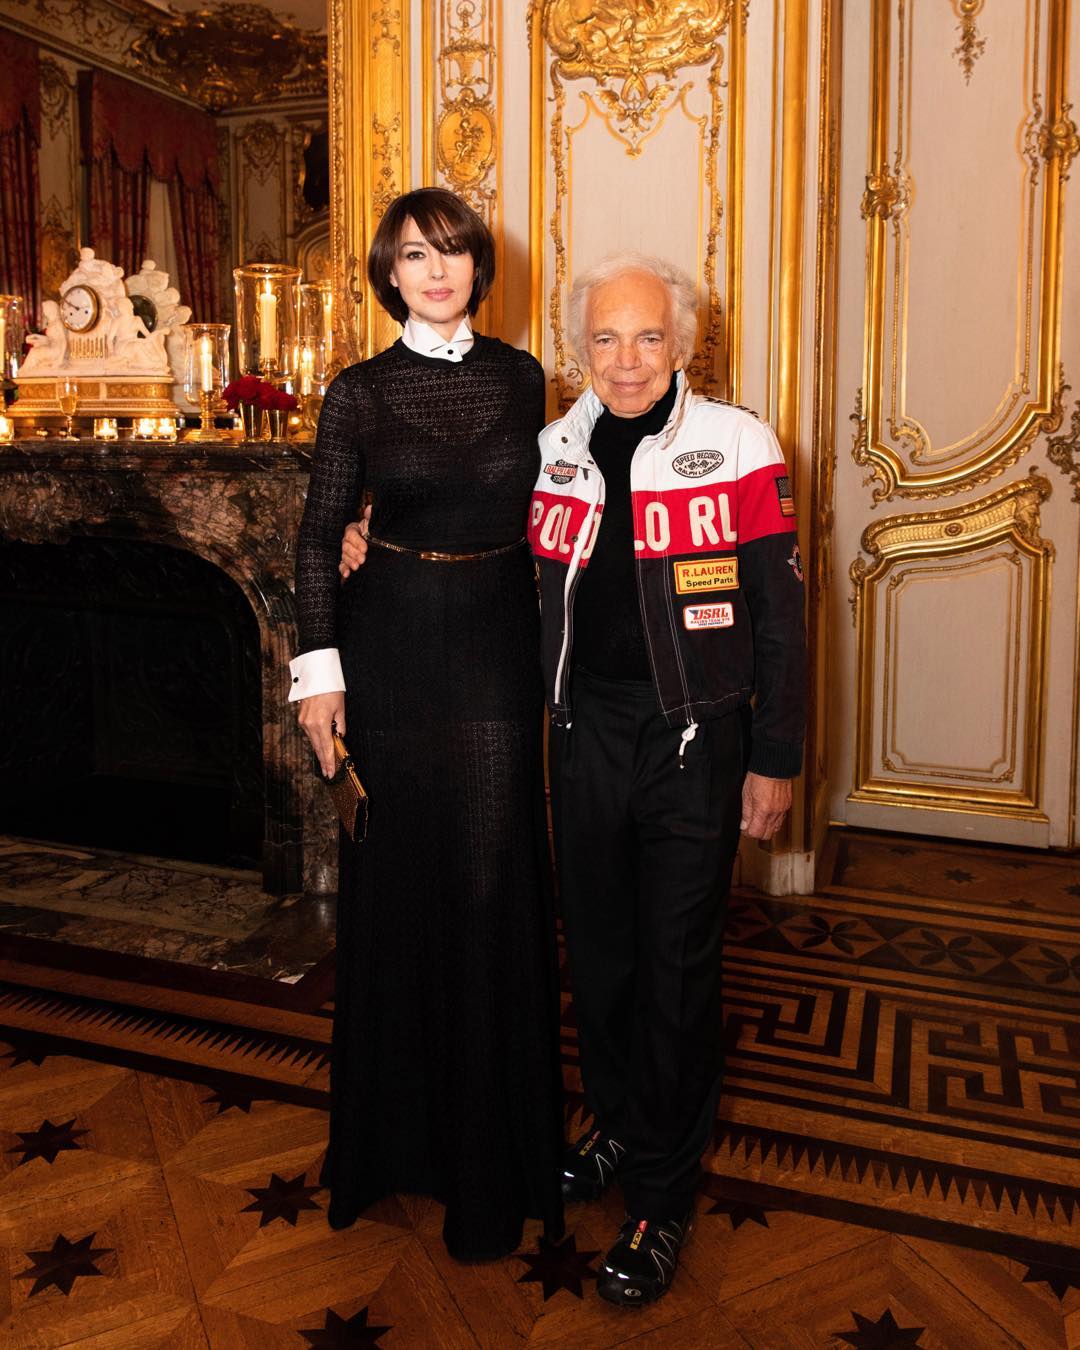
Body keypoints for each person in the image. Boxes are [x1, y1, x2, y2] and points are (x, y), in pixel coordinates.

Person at [341, 251, 806, 1306]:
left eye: (648, 337)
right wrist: (368, 532)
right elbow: (468, 538)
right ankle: (619, 1126)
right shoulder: (550, 450)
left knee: (674, 970)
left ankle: (662, 1195)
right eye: (605, 337)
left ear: (683, 344)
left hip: (694, 738)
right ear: (577, 347)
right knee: (597, 958)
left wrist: (774, 756)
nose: (626, 359)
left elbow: (782, 617)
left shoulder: (741, 444)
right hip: (583, 731)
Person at [290, 187, 564, 1262]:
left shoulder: (522, 376)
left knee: (490, 881)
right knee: (397, 882)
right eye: (414, 254)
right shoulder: (357, 392)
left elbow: (556, 506)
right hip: (390, 643)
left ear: (478, 266)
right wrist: (318, 677)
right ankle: (392, 1146)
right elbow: (318, 535)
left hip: (496, 641)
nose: (436, 270)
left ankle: (488, 1165)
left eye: (452, 252)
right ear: (388, 273)